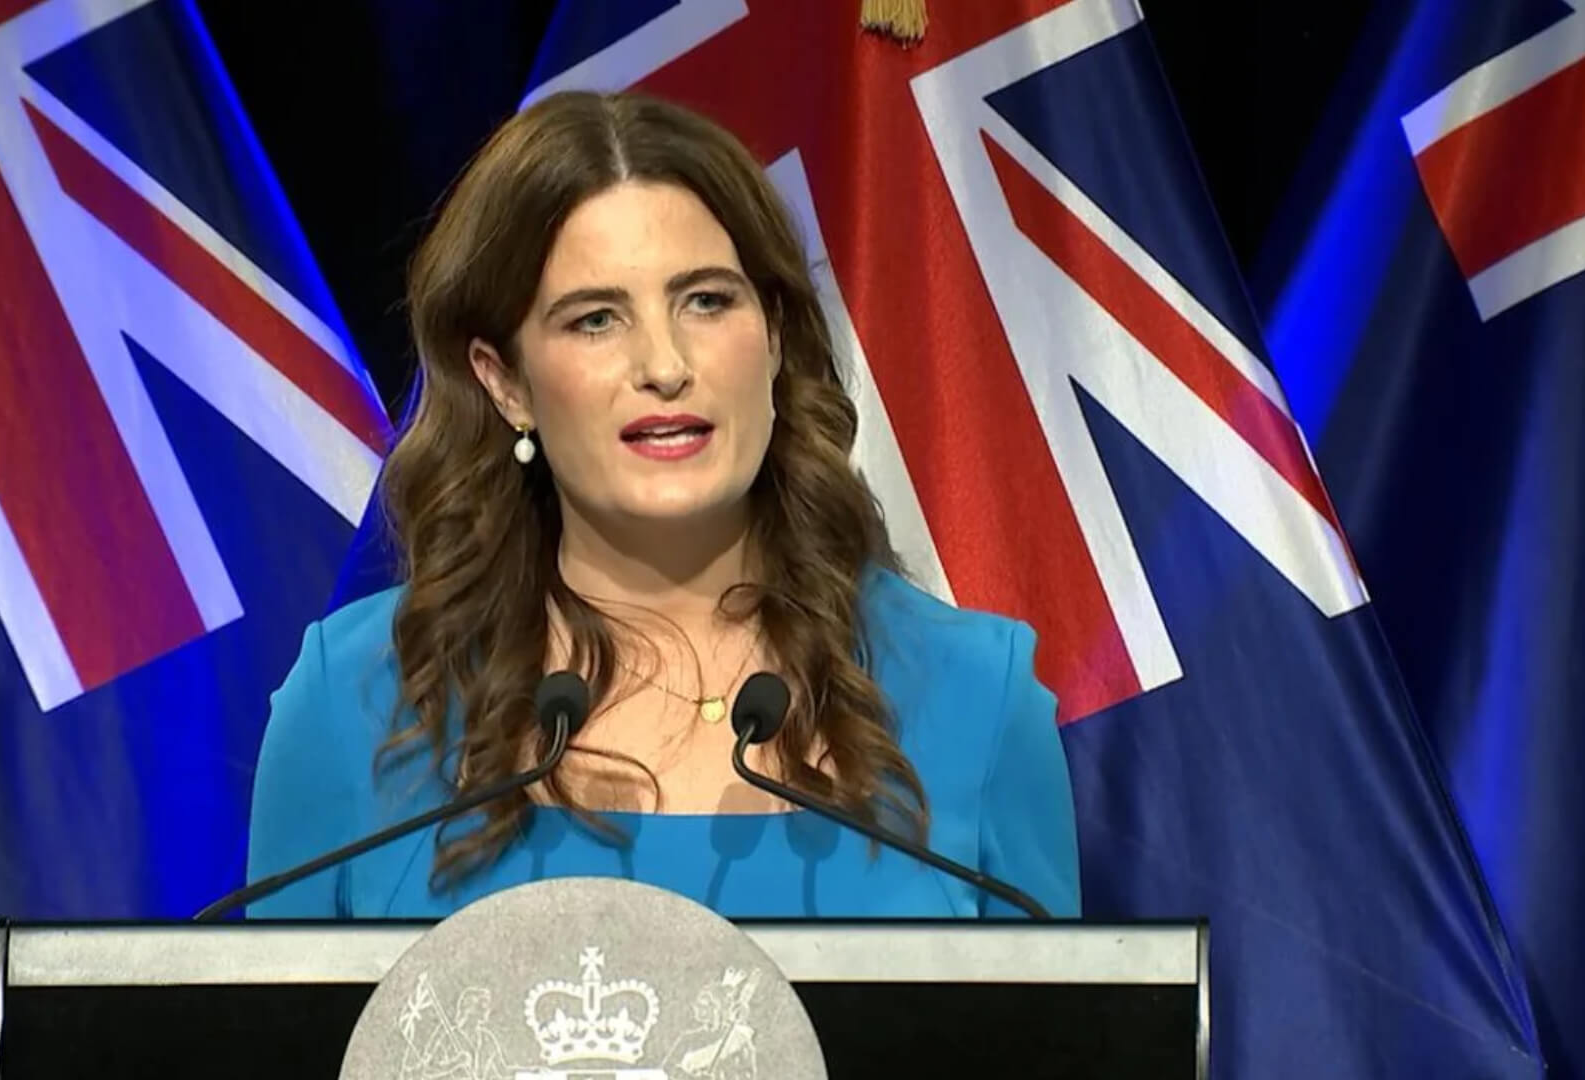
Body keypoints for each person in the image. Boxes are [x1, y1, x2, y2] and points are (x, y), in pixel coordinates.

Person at [244, 89, 1080, 920]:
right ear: (505, 384)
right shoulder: (356, 700)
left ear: (775, 335)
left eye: (706, 301)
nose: (666, 366)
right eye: (595, 319)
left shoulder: (976, 696)